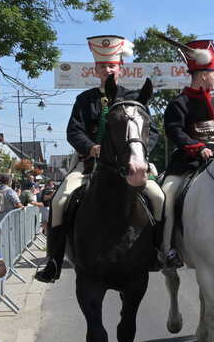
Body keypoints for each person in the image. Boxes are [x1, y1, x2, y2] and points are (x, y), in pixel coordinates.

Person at [35, 34, 164, 283]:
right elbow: (74, 130)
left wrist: (140, 153)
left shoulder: (133, 98)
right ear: (95, 69)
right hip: (89, 165)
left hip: (128, 166)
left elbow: (153, 132)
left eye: (111, 66)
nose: (107, 70)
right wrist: (90, 147)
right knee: (60, 201)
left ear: (120, 68)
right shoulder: (84, 100)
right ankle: (53, 261)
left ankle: (159, 251)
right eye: (102, 66)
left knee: (158, 197)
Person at [160, 38, 214, 268]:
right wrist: (198, 148)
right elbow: (175, 131)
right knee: (166, 197)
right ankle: (168, 247)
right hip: (187, 165)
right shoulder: (179, 103)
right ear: (202, 75)